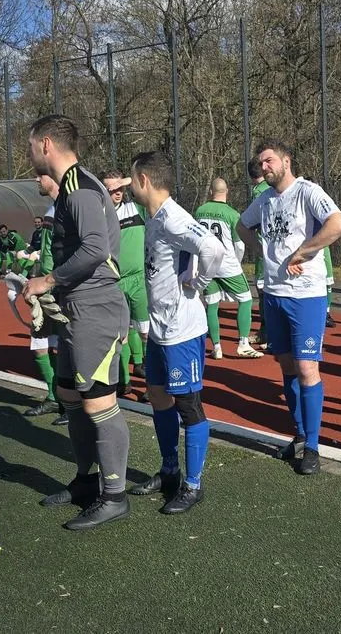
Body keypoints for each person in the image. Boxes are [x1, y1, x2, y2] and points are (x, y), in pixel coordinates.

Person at [23, 114, 131, 530]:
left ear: (46, 144)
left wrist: (47, 280)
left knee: (99, 401)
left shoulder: (80, 188)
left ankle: (115, 495)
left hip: (95, 307)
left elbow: (95, 249)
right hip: (74, 307)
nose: (30, 154)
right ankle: (86, 482)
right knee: (69, 393)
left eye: (31, 145)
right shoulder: (71, 186)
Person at [237, 140, 341, 475]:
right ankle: (299, 435)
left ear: (286, 161)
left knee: (307, 367)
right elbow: (241, 225)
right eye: (261, 162)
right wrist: (262, 251)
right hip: (274, 294)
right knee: (286, 366)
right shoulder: (265, 199)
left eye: (269, 160)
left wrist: (303, 252)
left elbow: (338, 225)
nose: (264, 167)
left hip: (305, 295)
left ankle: (312, 446)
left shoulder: (307, 192)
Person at [127, 151, 224, 513]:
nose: (130, 185)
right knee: (157, 395)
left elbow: (212, 248)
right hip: (159, 328)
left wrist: (198, 282)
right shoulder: (152, 216)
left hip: (182, 329)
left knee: (188, 404)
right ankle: (169, 470)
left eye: (132, 179)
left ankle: (193, 485)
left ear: (144, 180)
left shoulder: (174, 217)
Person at [195, 177, 263, 359]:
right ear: (227, 192)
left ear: (211, 192)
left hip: (206, 264)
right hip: (227, 265)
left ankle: (216, 347)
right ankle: (243, 343)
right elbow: (239, 245)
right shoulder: (232, 214)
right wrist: (237, 263)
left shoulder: (199, 211)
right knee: (246, 299)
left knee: (211, 303)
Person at [21, 175, 68, 426]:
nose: (36, 178)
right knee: (39, 343)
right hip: (46, 286)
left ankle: (70, 404)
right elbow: (48, 254)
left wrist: (53, 281)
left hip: (62, 287)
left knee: (67, 348)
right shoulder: (52, 210)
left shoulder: (72, 208)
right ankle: (53, 396)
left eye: (42, 174)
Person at [100, 169, 150, 400]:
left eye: (120, 188)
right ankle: (124, 382)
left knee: (147, 332)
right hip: (114, 282)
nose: (118, 193)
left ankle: (151, 385)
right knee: (121, 334)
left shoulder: (136, 209)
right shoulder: (98, 215)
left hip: (140, 280)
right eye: (112, 189)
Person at [248, 156, 270, 347]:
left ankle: (266, 332)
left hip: (265, 246)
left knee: (263, 289)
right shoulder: (274, 187)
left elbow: (253, 221)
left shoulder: (259, 192)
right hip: (277, 245)